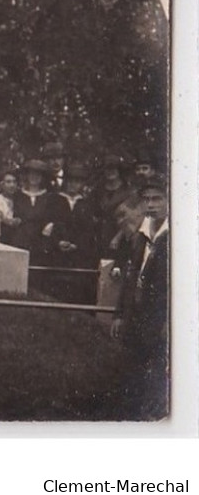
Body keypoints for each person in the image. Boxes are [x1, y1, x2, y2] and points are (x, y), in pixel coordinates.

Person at [111, 175, 169, 416]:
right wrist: (119, 314)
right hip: (136, 313)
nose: (151, 205)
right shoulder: (141, 235)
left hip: (160, 317)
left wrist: (169, 321)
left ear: (168, 201)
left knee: (158, 373)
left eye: (157, 199)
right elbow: (130, 275)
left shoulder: (175, 236)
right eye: (146, 200)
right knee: (132, 370)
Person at [41, 162, 98, 302]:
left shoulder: (86, 203)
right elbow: (46, 225)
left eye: (77, 182)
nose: (73, 185)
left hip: (78, 253)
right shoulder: (54, 200)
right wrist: (57, 242)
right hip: (57, 251)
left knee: (76, 287)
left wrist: (77, 244)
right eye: (71, 181)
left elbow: (89, 230)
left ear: (82, 184)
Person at [11, 159, 51, 256]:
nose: (34, 177)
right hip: (21, 240)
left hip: (41, 240)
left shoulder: (49, 197)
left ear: (42, 177)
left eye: (38, 175)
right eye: (31, 174)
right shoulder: (17, 195)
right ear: (27, 176)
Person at [0, 170, 21, 245]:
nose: (12, 185)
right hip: (3, 235)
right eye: (8, 182)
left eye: (14, 182)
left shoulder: (20, 199)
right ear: (2, 184)